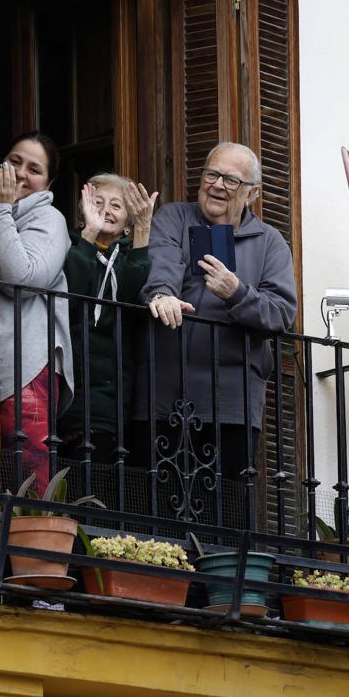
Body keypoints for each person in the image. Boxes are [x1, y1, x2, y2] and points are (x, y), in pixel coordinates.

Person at [133, 142, 297, 480]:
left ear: (252, 193)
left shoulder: (270, 242)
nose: (218, 185)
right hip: (161, 394)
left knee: (226, 506)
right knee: (154, 502)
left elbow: (281, 313)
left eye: (231, 180)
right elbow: (162, 264)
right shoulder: (174, 217)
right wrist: (162, 294)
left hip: (231, 404)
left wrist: (237, 293)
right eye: (212, 174)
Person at [60, 174, 157, 464]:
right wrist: (90, 234)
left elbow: (131, 298)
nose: (106, 210)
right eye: (97, 203)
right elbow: (69, 296)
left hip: (117, 391)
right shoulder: (70, 247)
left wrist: (143, 229)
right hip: (74, 386)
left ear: (127, 222)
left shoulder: (131, 257)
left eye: (116, 205)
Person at [0, 131, 74, 495]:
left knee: (28, 472)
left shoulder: (50, 219)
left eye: (34, 168)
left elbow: (21, 279)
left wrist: (1, 209)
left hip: (27, 365)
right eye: (15, 161)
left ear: (48, 183)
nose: (21, 173)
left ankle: (35, 533)